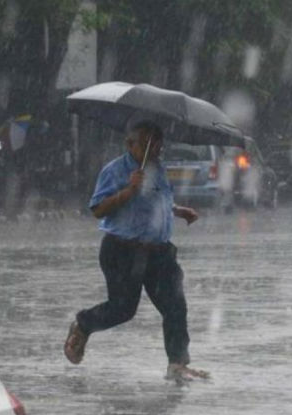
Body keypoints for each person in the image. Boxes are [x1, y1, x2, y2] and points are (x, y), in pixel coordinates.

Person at [63, 121, 209, 382]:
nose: (156, 150)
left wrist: (177, 210)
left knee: (175, 305)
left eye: (159, 145)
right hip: (123, 251)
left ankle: (177, 364)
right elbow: (98, 209)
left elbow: (157, 200)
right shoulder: (115, 171)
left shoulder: (159, 169)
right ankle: (84, 324)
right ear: (130, 144)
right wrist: (128, 190)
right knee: (123, 309)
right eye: (149, 144)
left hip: (159, 253)